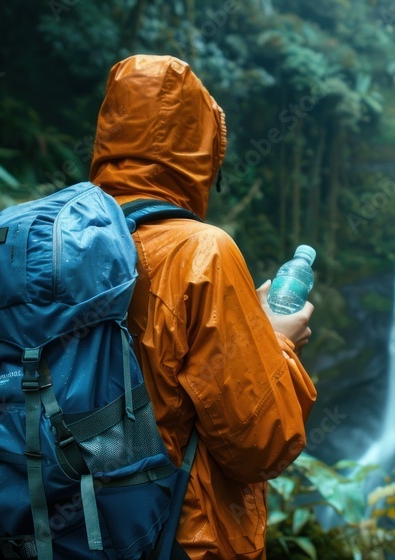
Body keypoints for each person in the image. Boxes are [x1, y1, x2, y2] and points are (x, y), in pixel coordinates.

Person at [89, 54, 318, 559]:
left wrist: (244, 323)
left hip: (60, 529)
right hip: (174, 538)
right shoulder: (200, 253)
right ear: (199, 151)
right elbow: (264, 442)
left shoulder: (60, 243)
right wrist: (276, 339)